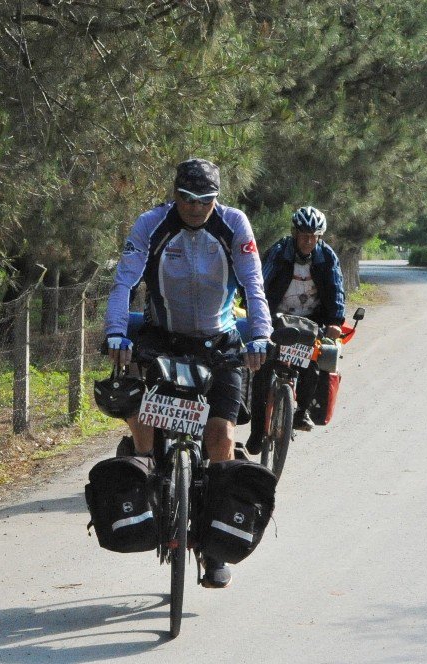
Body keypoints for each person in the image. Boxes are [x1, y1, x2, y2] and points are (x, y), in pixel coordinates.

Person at [103, 157, 273, 589]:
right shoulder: (151, 224)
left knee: (220, 437)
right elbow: (124, 281)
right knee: (142, 419)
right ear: (174, 194)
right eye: (187, 199)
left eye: (206, 200)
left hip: (220, 343)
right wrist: (117, 331)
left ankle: (214, 552)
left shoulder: (234, 224)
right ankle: (144, 487)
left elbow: (253, 284)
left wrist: (259, 336)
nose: (196, 208)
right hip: (164, 338)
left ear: (217, 198)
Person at [245, 205, 346, 454]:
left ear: (319, 237)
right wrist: (258, 315)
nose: (308, 241)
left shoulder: (327, 256)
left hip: (311, 321)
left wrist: (335, 321)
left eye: (313, 236)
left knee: (311, 366)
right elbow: (260, 282)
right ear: (294, 234)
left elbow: (336, 289)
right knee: (262, 370)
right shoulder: (279, 252)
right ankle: (257, 431)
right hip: (275, 318)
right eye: (303, 236)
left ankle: (300, 413)